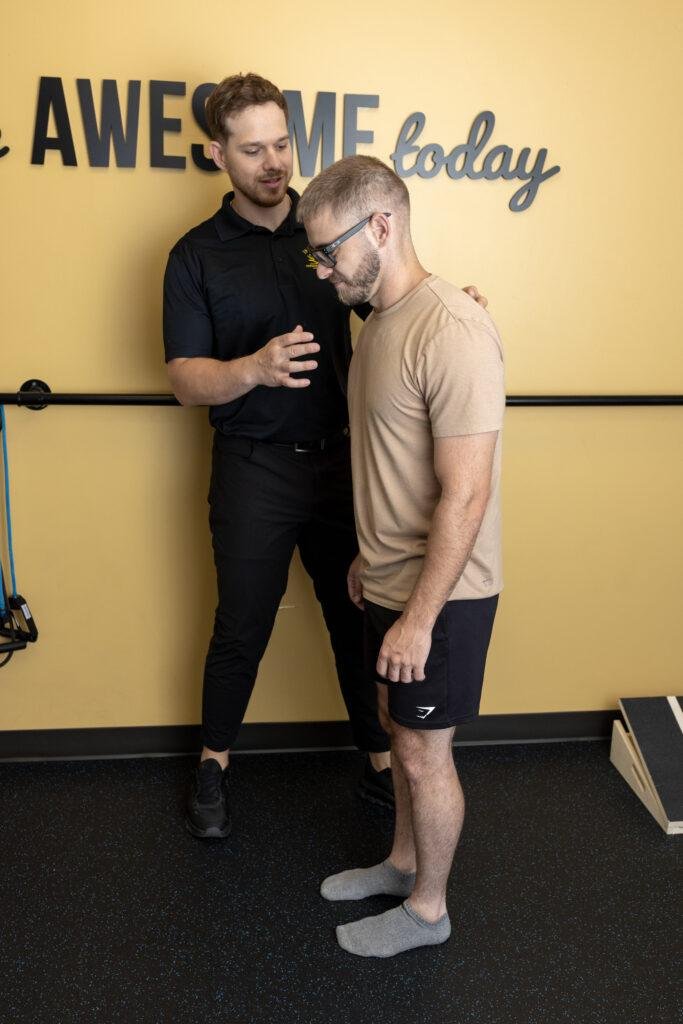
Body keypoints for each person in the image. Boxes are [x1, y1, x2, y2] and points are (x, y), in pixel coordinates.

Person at [163, 73, 488, 840]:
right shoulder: (194, 255)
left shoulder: (328, 224)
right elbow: (183, 380)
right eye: (252, 149)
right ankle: (214, 764)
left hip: (346, 467)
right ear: (219, 154)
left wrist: (457, 312)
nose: (272, 161)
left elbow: (397, 294)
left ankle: (382, 764)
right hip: (254, 467)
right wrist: (252, 369)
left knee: (362, 619)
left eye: (281, 143)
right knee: (241, 623)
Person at [298, 155, 504, 957]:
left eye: (329, 251)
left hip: (441, 597)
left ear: (381, 227)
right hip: (388, 576)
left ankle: (428, 910)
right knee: (394, 726)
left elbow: (464, 495)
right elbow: (393, 462)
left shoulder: (450, 327)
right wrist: (369, 558)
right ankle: (402, 862)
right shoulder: (380, 321)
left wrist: (418, 620)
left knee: (421, 751)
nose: (322, 270)